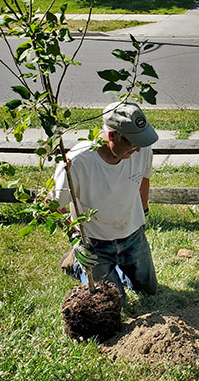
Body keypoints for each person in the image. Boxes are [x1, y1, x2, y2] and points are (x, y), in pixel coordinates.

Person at [55, 101, 159, 299]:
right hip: (96, 242)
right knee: (113, 299)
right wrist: (76, 238)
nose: (138, 150)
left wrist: (143, 213)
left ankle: (115, 271)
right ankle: (76, 264)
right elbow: (52, 205)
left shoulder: (141, 148)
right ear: (112, 136)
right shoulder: (77, 161)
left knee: (148, 291)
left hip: (132, 235)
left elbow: (144, 178)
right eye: (132, 144)